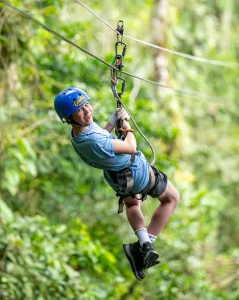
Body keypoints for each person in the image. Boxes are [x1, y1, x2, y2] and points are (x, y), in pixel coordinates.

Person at [54, 87, 180, 280]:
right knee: (171, 198)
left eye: (86, 104)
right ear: (69, 118)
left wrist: (113, 121)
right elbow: (130, 147)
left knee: (132, 204)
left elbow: (102, 136)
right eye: (79, 110)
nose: (87, 111)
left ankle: (143, 243)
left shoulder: (78, 134)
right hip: (136, 172)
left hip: (117, 177)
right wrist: (127, 126)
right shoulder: (93, 141)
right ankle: (146, 246)